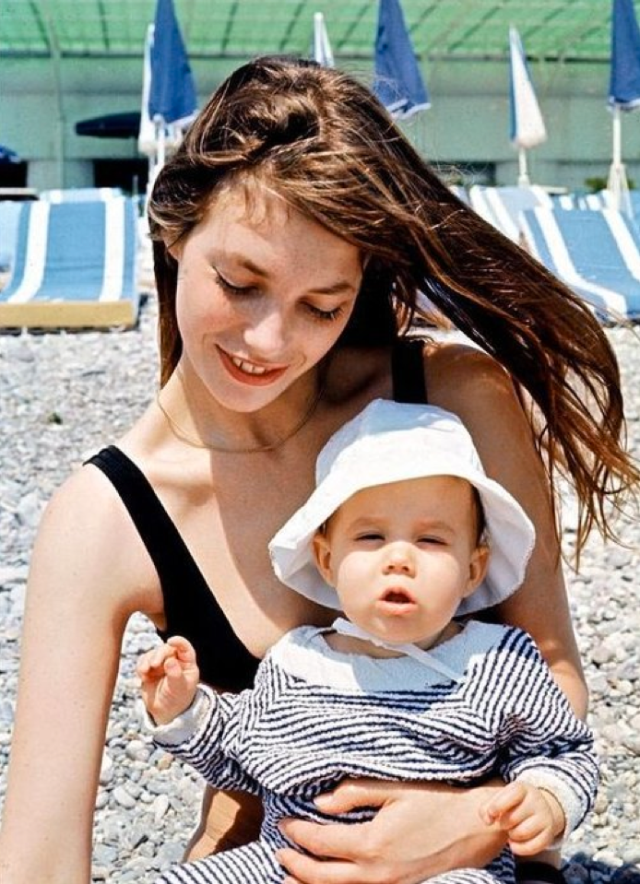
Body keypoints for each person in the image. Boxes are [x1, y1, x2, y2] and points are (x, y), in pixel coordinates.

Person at [0, 54, 637, 884]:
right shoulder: (108, 516)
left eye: (321, 307)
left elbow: (552, 677)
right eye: (239, 282)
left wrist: (467, 824)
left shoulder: (448, 400)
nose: (268, 343)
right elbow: (39, 858)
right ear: (172, 230)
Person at [137, 400, 599, 884]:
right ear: (327, 558)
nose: (399, 558)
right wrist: (183, 708)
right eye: (372, 537)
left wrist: (546, 798)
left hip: (441, 868)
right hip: (290, 860)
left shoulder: (494, 662)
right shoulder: (297, 662)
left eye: (432, 541)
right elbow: (240, 753)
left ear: (473, 569)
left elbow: (565, 750)